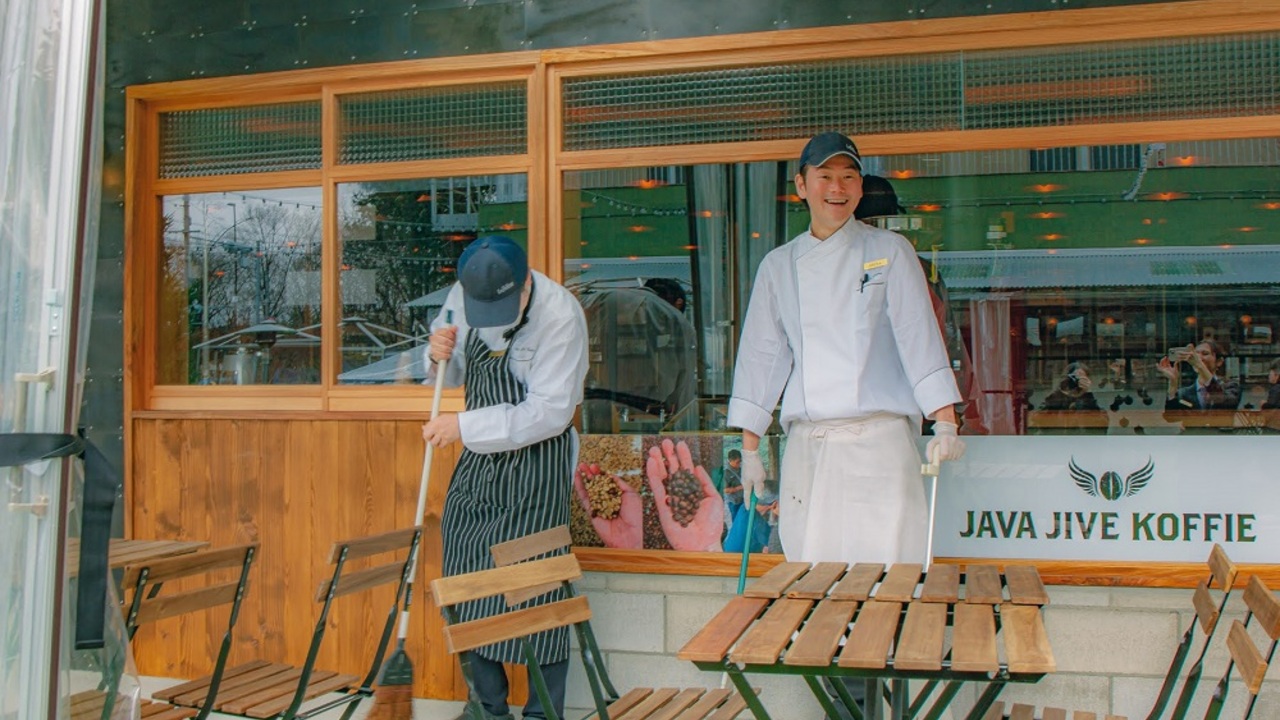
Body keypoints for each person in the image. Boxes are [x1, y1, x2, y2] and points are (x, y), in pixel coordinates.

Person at [728, 131, 966, 569]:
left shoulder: (891, 251)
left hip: (881, 443)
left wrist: (945, 423)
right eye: (825, 176)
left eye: (848, 177)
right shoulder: (778, 266)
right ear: (802, 185)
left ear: (859, 187)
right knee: (815, 574)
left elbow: (919, 337)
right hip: (810, 449)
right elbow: (762, 358)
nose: (837, 188)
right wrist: (749, 451)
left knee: (888, 573)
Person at [421, 235, 588, 720]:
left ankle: (541, 713)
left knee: (536, 584)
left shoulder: (560, 316)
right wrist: (437, 353)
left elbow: (550, 413)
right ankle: (488, 709)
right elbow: (451, 373)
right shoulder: (466, 291)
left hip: (537, 459)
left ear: (525, 283)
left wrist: (463, 426)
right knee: (465, 573)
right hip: (479, 458)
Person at [855, 174, 987, 435]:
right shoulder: (921, 269)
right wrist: (959, 406)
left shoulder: (920, 270)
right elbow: (947, 342)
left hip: (888, 408)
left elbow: (945, 340)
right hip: (917, 405)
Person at [1157, 339, 1241, 410]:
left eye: (1205, 353)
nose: (1199, 358)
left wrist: (1199, 365)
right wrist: (1173, 383)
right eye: (1196, 354)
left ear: (1219, 362)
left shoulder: (1231, 387)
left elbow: (1224, 402)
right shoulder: (1185, 392)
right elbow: (1171, 418)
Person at [712, 448, 744, 529]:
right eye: (737, 462)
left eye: (740, 461)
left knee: (743, 519)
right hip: (734, 501)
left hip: (743, 499)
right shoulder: (726, 473)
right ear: (730, 461)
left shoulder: (741, 469)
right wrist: (738, 488)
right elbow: (725, 490)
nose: (739, 464)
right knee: (736, 521)